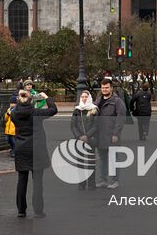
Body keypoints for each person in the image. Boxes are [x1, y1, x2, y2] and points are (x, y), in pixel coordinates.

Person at [9, 87, 58, 217]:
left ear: (19, 100)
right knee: (37, 182)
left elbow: (14, 109)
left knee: (22, 179)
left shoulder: (14, 114)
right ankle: (38, 210)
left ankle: (21, 210)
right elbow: (53, 110)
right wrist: (46, 97)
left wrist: (21, 99)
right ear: (31, 100)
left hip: (21, 148)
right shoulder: (36, 113)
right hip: (36, 148)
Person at [93, 78, 126, 189]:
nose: (105, 89)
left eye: (107, 87)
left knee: (113, 159)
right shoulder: (98, 100)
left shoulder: (117, 101)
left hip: (112, 135)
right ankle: (103, 180)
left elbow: (121, 118)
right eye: (103, 88)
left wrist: (116, 133)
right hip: (100, 135)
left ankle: (115, 181)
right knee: (102, 159)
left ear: (111, 88)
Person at [70, 90, 98, 190]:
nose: (84, 98)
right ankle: (81, 184)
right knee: (80, 162)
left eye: (86, 96)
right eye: (82, 97)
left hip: (91, 139)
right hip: (79, 140)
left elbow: (96, 125)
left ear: (89, 98)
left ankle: (91, 184)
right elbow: (73, 125)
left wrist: (87, 136)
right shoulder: (77, 110)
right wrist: (79, 136)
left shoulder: (94, 110)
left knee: (90, 163)